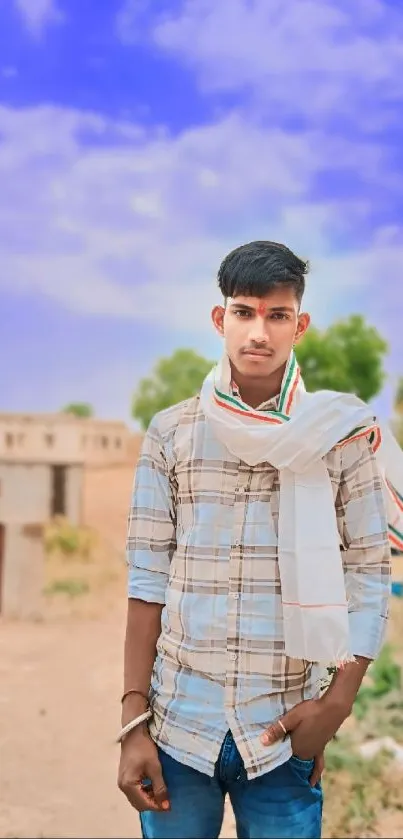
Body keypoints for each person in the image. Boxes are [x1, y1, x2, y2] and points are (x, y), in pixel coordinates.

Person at [117, 241, 394, 839]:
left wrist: (336, 704)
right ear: (221, 320)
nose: (259, 332)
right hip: (176, 725)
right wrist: (132, 722)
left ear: (301, 324)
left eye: (277, 315)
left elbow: (370, 573)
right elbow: (146, 578)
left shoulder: (337, 436)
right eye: (244, 312)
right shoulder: (173, 432)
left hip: (281, 730)